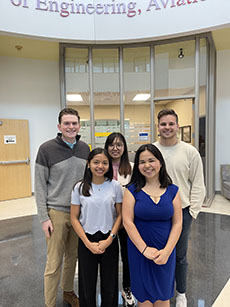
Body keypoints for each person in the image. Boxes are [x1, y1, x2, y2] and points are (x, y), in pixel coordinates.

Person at [35, 108, 90, 307]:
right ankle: (49, 303)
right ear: (59, 126)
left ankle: (68, 292)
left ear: (79, 125)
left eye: (74, 123)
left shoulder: (85, 148)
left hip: (78, 213)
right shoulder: (46, 149)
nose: (71, 127)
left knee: (72, 257)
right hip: (56, 213)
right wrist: (44, 218)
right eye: (66, 123)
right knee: (54, 261)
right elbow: (40, 186)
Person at [154, 109, 206, 307]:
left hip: (181, 212)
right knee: (158, 253)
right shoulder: (152, 149)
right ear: (158, 127)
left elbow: (198, 183)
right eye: (163, 124)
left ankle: (181, 292)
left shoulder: (189, 152)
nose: (167, 127)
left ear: (176, 126)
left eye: (171, 124)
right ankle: (160, 290)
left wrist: (192, 212)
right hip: (156, 212)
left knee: (180, 255)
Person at [123, 144, 182, 307]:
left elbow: (177, 223)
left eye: (151, 160)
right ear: (138, 166)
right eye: (142, 162)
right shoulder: (132, 190)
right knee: (145, 299)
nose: (147, 165)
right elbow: (127, 222)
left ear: (160, 163)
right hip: (139, 251)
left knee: (163, 297)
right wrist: (144, 249)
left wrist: (167, 252)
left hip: (165, 251)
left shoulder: (173, 191)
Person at [70, 148, 123, 307]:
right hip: (87, 240)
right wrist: (87, 243)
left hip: (109, 238)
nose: (100, 166)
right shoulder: (79, 187)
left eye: (105, 163)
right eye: (96, 162)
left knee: (110, 283)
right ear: (88, 164)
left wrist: (109, 239)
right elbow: (74, 217)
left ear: (109, 165)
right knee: (87, 284)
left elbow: (120, 215)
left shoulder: (115, 186)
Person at [104, 132, 136, 307]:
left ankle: (127, 289)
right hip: (106, 220)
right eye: (112, 145)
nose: (115, 148)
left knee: (127, 257)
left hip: (126, 221)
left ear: (124, 148)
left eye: (119, 145)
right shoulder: (101, 166)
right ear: (107, 147)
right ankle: (109, 291)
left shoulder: (132, 168)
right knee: (109, 258)